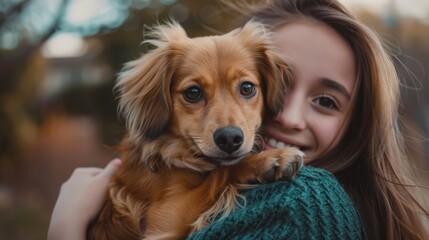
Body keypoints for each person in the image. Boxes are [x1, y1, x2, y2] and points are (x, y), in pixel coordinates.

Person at [48, 0, 429, 239]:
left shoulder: (302, 203)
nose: (229, 126)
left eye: (248, 89)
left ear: (359, 124)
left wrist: (65, 231)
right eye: (194, 94)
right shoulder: (154, 169)